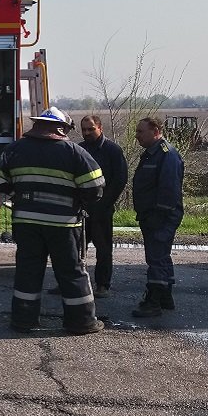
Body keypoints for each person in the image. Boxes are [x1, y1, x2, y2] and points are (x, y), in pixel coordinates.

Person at [0, 107, 105, 335]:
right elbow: (95, 187)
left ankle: (24, 320)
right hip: (63, 225)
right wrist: (77, 200)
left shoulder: (14, 150)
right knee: (71, 272)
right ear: (61, 128)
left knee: (28, 271)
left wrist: (17, 191)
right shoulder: (74, 152)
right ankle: (81, 322)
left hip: (26, 222)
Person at [131, 116, 185, 318]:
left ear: (155, 131)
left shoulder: (166, 154)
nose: (137, 136)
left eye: (140, 132)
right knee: (161, 256)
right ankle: (165, 298)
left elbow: (169, 189)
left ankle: (153, 301)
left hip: (161, 216)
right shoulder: (151, 154)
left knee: (156, 258)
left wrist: (158, 215)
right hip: (152, 215)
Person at [78, 115, 127, 297]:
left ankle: (102, 285)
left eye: (91, 129)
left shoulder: (112, 150)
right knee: (75, 249)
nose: (87, 133)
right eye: (84, 129)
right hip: (81, 209)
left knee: (103, 249)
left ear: (100, 128)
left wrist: (105, 203)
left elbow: (120, 179)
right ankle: (72, 282)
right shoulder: (79, 150)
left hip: (102, 210)